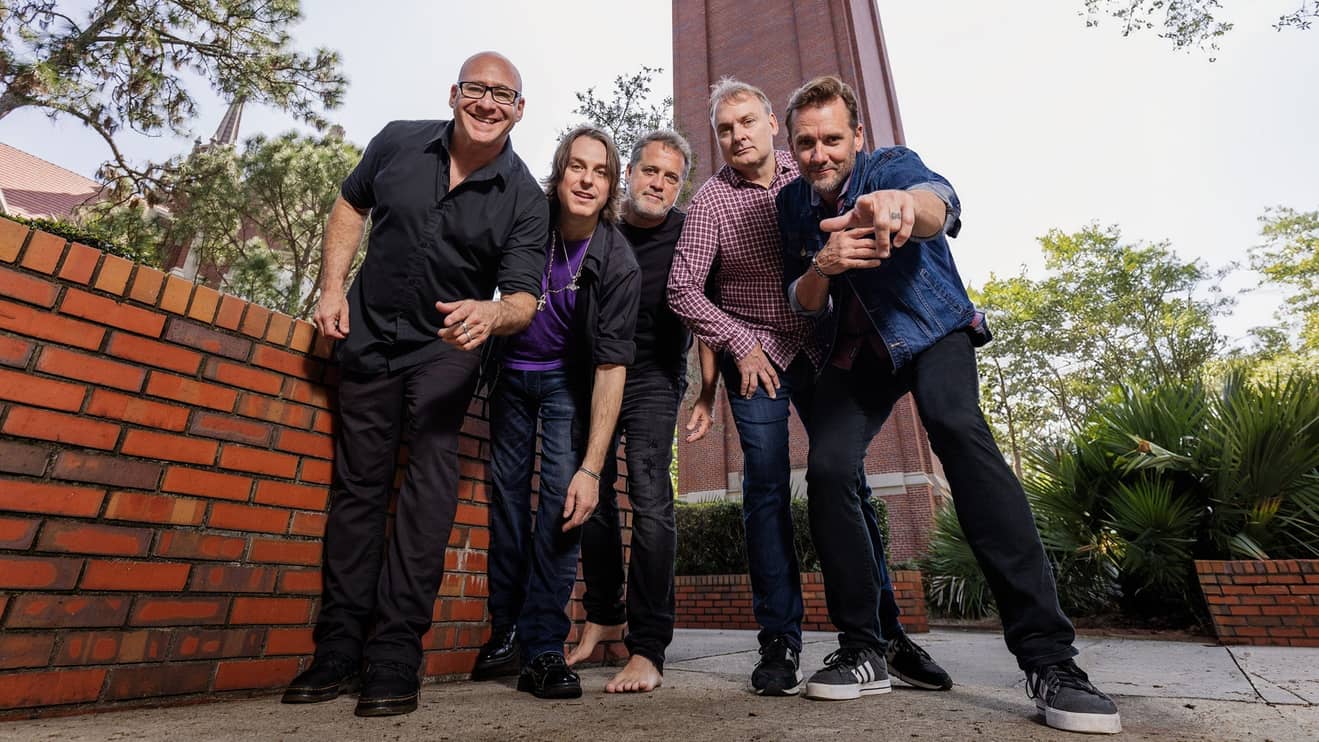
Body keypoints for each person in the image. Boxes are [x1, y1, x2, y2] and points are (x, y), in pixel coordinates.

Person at [776, 75, 1121, 734]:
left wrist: (901, 208)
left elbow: (939, 203)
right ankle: (865, 649)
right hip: (859, 356)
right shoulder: (792, 204)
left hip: (932, 330)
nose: (820, 154)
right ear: (792, 148)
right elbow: (801, 301)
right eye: (806, 143)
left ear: (856, 137)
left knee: (955, 428)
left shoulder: (889, 167)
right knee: (827, 468)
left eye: (832, 139)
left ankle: (1050, 660)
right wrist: (823, 263)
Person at [282, 51, 547, 718]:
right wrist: (330, 288)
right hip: (367, 335)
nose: (488, 104)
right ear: (454, 93)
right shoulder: (398, 140)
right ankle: (337, 649)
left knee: (427, 487)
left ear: (519, 111)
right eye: (477, 90)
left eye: (503, 96)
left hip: (446, 350)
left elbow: (523, 299)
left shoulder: (524, 197)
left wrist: (490, 313)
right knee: (358, 491)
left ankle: (396, 654)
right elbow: (350, 203)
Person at [667, 77, 949, 697]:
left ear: (773, 123)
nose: (737, 136)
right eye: (724, 129)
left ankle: (885, 636)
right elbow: (683, 289)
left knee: (846, 481)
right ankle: (780, 641)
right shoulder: (711, 201)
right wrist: (737, 344)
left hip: (824, 346)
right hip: (758, 355)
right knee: (765, 489)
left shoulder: (810, 168)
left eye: (747, 121)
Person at [476, 125, 641, 700]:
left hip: (565, 386)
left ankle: (544, 647)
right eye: (578, 167)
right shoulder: (531, 217)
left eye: (601, 172)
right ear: (560, 172)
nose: (587, 180)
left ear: (611, 186)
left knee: (561, 509)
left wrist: (591, 469)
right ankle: (506, 632)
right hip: (508, 377)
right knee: (506, 502)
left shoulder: (618, 263)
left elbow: (611, 368)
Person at [562, 130, 694, 694]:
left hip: (654, 374)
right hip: (593, 373)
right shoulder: (599, 227)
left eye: (671, 177)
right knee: (587, 489)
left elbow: (709, 301)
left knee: (650, 495)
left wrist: (708, 392)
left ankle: (648, 647)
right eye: (650, 171)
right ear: (630, 174)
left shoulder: (688, 232)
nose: (658, 184)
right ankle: (604, 615)